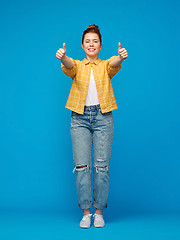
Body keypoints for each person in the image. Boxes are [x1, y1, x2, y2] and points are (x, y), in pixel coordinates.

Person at [56, 24, 128, 228]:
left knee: (101, 167)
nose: (91, 44)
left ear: (100, 45)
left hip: (103, 117)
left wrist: (121, 57)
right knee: (81, 167)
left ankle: (99, 211)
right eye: (88, 41)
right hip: (79, 118)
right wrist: (62, 57)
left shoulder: (105, 65)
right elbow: (68, 65)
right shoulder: (77, 65)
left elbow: (114, 63)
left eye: (95, 41)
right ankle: (86, 212)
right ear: (82, 45)